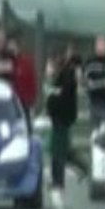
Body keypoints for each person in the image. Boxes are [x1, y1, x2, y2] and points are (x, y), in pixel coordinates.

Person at [44, 54, 87, 190]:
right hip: (58, 118)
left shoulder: (66, 78)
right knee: (62, 150)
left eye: (50, 66)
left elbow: (60, 97)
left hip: (61, 118)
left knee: (58, 152)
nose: (49, 69)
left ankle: (58, 181)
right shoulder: (61, 78)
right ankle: (84, 168)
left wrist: (53, 93)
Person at [81, 36, 105, 127]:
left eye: (103, 45)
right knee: (98, 128)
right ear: (95, 47)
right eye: (99, 45)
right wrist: (102, 83)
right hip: (95, 100)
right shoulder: (90, 62)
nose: (101, 48)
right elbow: (86, 83)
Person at [7, 37, 39, 125]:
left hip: (23, 101)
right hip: (10, 101)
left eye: (13, 45)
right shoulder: (7, 61)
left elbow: (31, 81)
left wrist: (31, 100)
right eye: (9, 46)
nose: (11, 48)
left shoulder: (25, 61)